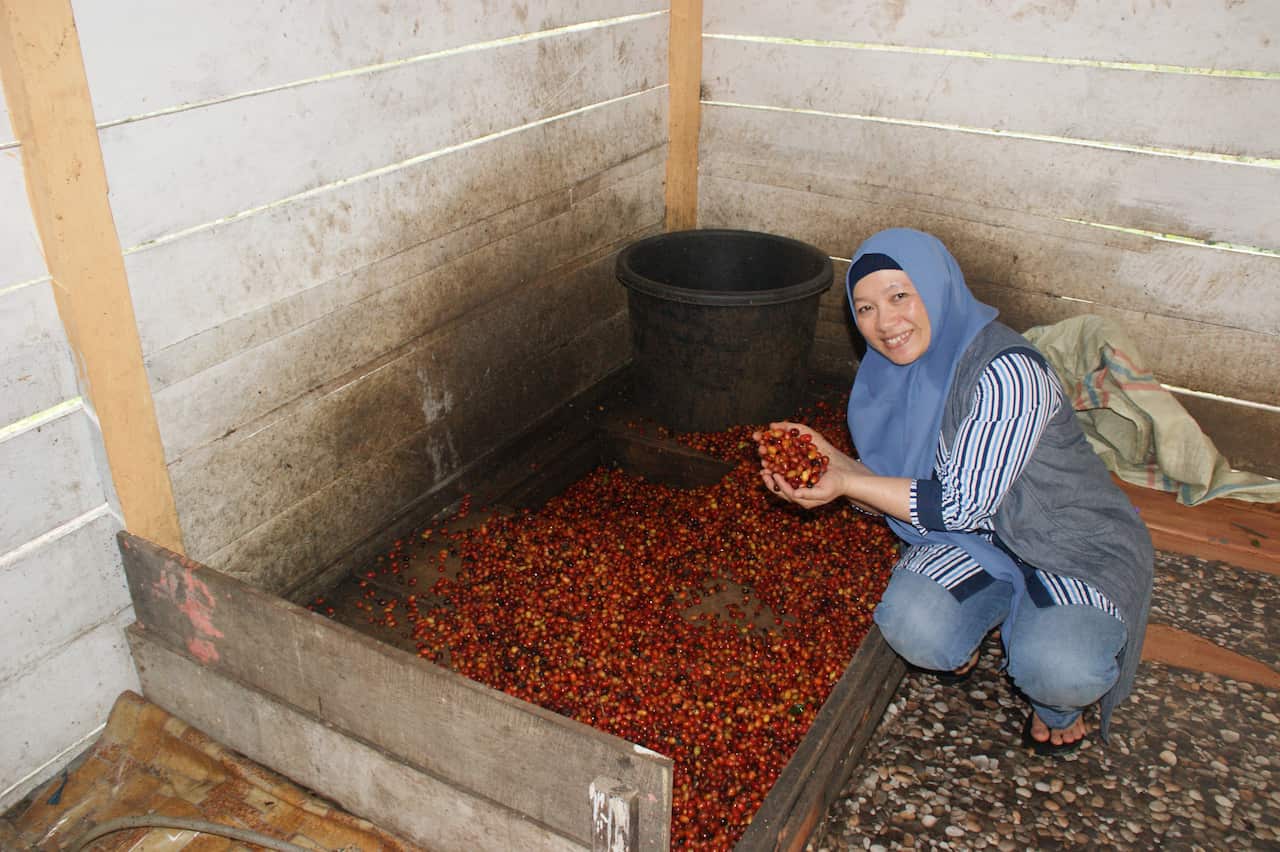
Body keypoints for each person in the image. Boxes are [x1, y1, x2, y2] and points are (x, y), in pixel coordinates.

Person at [757, 228, 1153, 755]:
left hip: (1068, 544)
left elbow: (959, 504)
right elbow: (898, 494)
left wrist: (848, 480)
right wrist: (834, 467)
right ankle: (993, 616)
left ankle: (1056, 702)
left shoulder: (1007, 372)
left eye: (900, 295)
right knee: (912, 625)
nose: (885, 323)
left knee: (1058, 667)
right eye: (866, 307)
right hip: (977, 544)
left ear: (936, 284)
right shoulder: (886, 377)